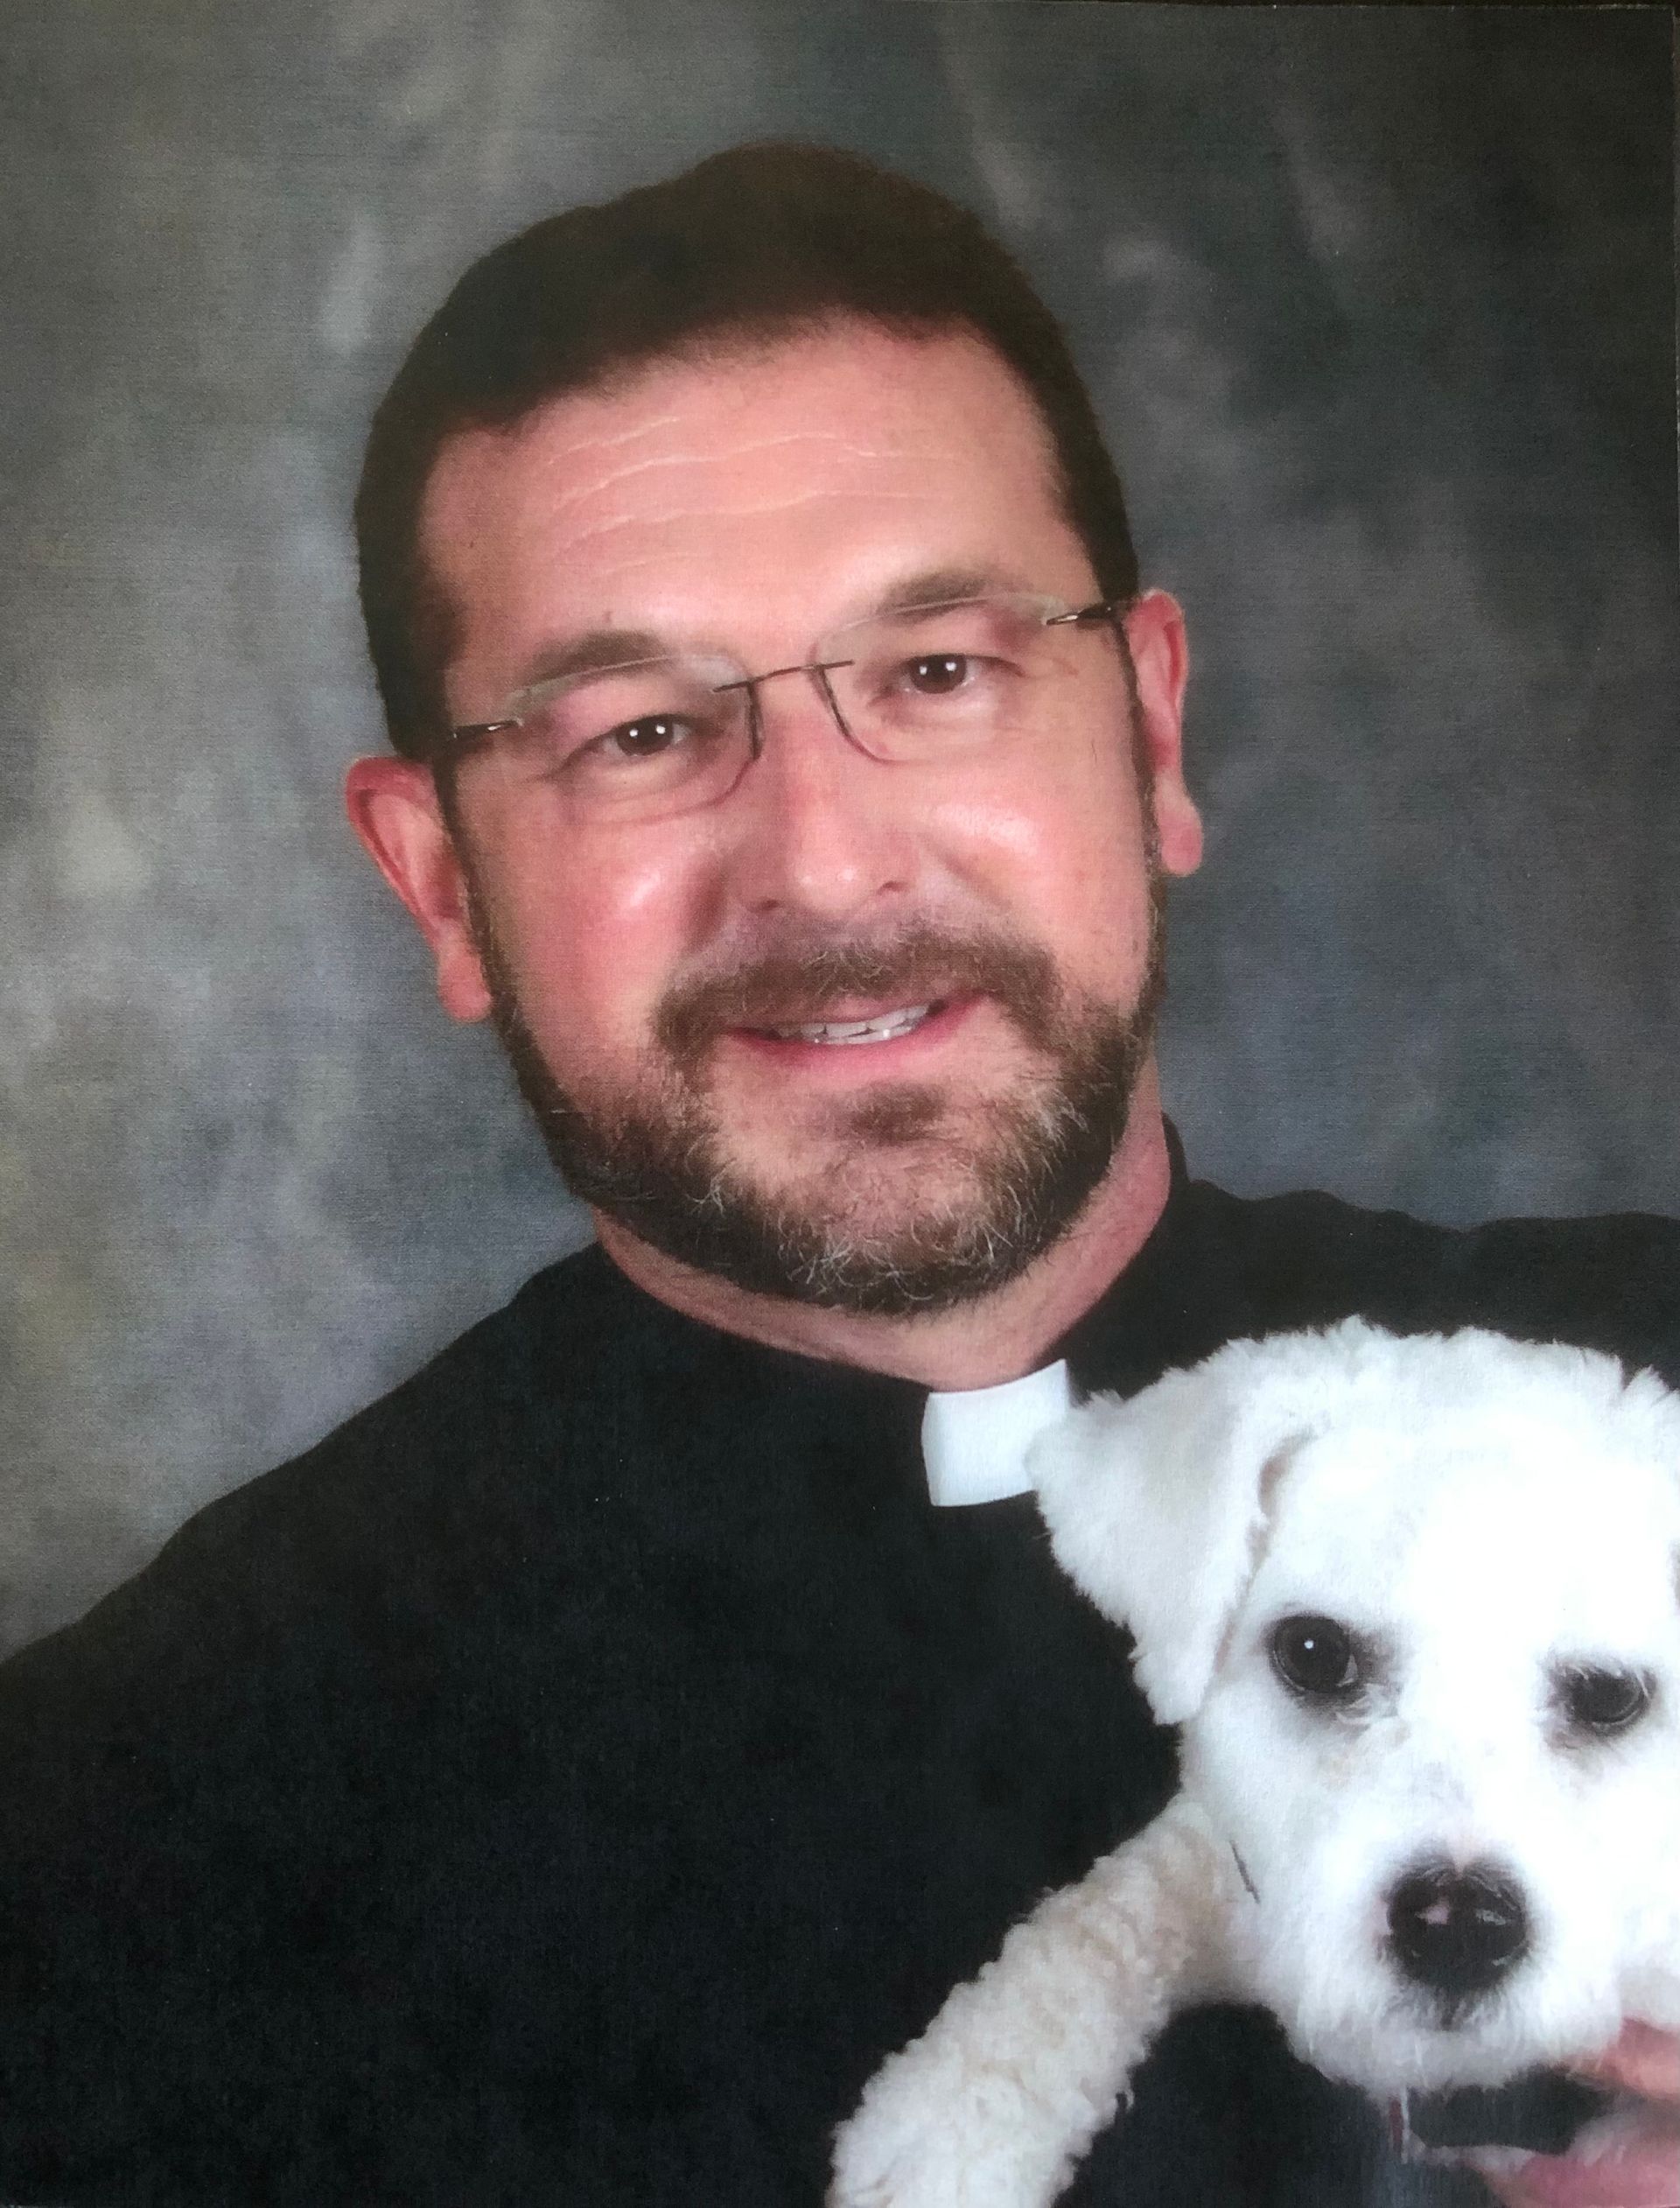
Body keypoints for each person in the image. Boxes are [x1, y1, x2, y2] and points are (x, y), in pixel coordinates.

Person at [0, 142, 1672, 2208]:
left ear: (1150, 732)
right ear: (439, 879)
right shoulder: (122, 1821)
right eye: (633, 730)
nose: (824, 858)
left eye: (939, 673)